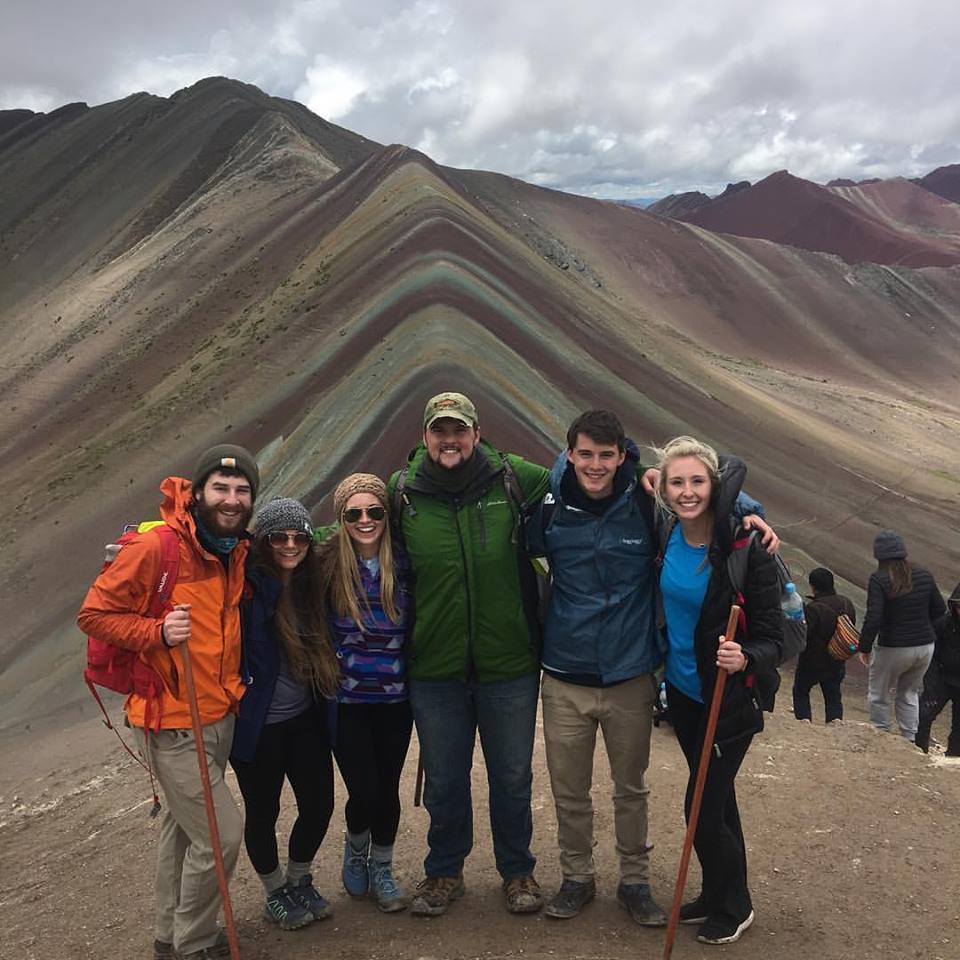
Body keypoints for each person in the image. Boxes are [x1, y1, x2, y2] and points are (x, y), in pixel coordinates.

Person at [78, 444, 259, 960]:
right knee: (222, 836)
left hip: (217, 715)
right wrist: (156, 631)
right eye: (221, 489)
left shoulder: (230, 548)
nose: (231, 499)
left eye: (242, 490)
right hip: (171, 722)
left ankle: (168, 935)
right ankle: (196, 942)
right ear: (198, 492)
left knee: (184, 830)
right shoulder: (159, 547)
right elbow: (93, 614)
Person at [387, 392, 550, 917]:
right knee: (445, 777)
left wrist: (641, 471)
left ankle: (517, 871)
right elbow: (351, 535)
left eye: (459, 430)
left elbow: (585, 480)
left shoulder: (514, 478)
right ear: (426, 437)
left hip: (509, 664)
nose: (450, 440)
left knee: (512, 775)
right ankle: (444, 872)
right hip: (435, 667)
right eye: (440, 431)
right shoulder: (402, 492)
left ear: (477, 434)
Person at [525, 410, 665, 925]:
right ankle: (577, 877)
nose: (596, 465)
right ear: (569, 452)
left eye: (607, 455)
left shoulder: (649, 502)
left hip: (630, 673)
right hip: (564, 673)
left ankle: (635, 882)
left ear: (623, 455)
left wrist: (754, 511)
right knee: (569, 789)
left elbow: (714, 491)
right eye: (585, 453)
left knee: (631, 787)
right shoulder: (549, 505)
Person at [654, 436, 783, 946]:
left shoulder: (746, 545)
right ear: (663, 488)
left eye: (698, 481)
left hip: (728, 699)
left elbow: (774, 635)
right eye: (676, 482)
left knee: (701, 807)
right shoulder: (666, 535)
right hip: (683, 694)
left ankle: (738, 903)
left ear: (715, 485)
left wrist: (746, 656)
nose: (687, 492)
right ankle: (717, 892)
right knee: (719, 799)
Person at [229, 498, 340, 932]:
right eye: (279, 536)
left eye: (299, 537)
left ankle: (299, 879)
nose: (290, 545)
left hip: (304, 718)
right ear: (263, 541)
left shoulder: (313, 584)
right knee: (263, 809)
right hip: (256, 725)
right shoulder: (246, 587)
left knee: (319, 804)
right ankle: (275, 891)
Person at [320, 474, 413, 913]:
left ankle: (383, 867)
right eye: (353, 513)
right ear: (341, 519)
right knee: (365, 789)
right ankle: (356, 847)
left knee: (388, 787)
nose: (365, 520)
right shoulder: (326, 566)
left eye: (374, 511)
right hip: (348, 701)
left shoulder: (405, 565)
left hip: (395, 701)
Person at [858, 530, 946, 742]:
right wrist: (922, 630)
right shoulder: (923, 573)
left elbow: (874, 617)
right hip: (925, 647)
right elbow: (939, 609)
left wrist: (864, 646)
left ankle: (881, 736)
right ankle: (909, 740)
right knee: (909, 693)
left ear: (878, 555)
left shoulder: (879, 579)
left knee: (879, 694)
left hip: (894, 647)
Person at [792, 568, 856, 724]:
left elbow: (804, 633)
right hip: (838, 657)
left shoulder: (814, 608)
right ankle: (835, 722)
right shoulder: (846, 603)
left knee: (801, 690)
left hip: (813, 661)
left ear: (813, 586)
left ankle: (804, 720)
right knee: (833, 694)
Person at [916, 582, 960, 756]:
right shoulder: (942, 624)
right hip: (941, 678)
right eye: (959, 607)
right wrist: (931, 684)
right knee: (923, 714)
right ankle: (917, 753)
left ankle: (953, 758)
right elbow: (930, 655)